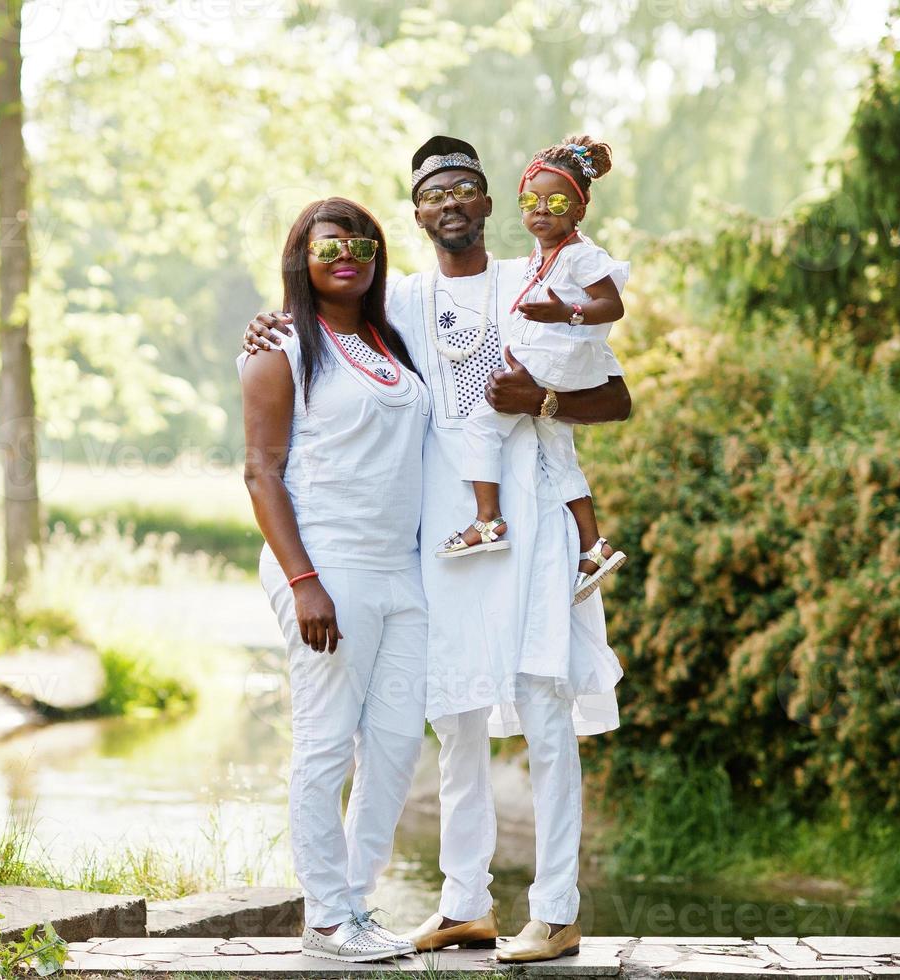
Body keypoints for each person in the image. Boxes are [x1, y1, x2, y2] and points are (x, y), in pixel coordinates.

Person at [244, 136, 631, 964]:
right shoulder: (404, 305)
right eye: (432, 194)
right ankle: (463, 903)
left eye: (465, 189)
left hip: (526, 513)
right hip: (438, 533)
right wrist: (276, 319)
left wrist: (548, 399)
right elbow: (325, 330)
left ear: (488, 204)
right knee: (453, 711)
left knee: (541, 701)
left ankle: (556, 908)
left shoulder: (532, 280)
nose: (450, 203)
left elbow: (618, 395)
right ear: (415, 214)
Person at [239, 198, 430, 963]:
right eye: (328, 246)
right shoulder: (279, 344)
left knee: (391, 746)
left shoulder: (390, 338)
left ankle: (355, 902)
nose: (346, 255)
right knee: (326, 744)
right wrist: (302, 580)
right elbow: (260, 471)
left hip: (400, 571)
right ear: (301, 259)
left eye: (360, 243)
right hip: (327, 567)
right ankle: (324, 916)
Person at [435, 135, 630, 607]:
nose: (541, 210)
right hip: (552, 363)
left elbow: (613, 306)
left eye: (557, 202)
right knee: (559, 456)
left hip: (555, 363)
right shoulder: (540, 257)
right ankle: (593, 545)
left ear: (578, 211)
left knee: (482, 424)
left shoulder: (581, 254)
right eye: (531, 201)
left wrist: (569, 313)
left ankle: (487, 520)